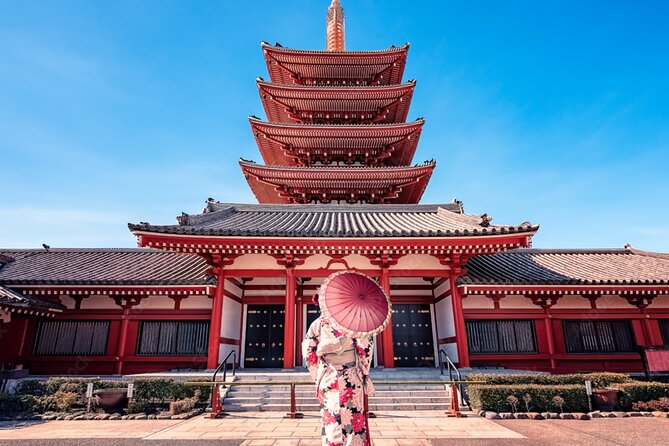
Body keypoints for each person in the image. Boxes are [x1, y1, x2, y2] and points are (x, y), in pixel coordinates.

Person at [302, 295, 374, 446]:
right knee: (353, 419)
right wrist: (364, 372)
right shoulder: (353, 324)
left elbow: (309, 354)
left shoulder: (317, 324)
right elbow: (365, 349)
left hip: (328, 376)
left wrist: (317, 376)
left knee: (331, 419)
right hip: (351, 377)